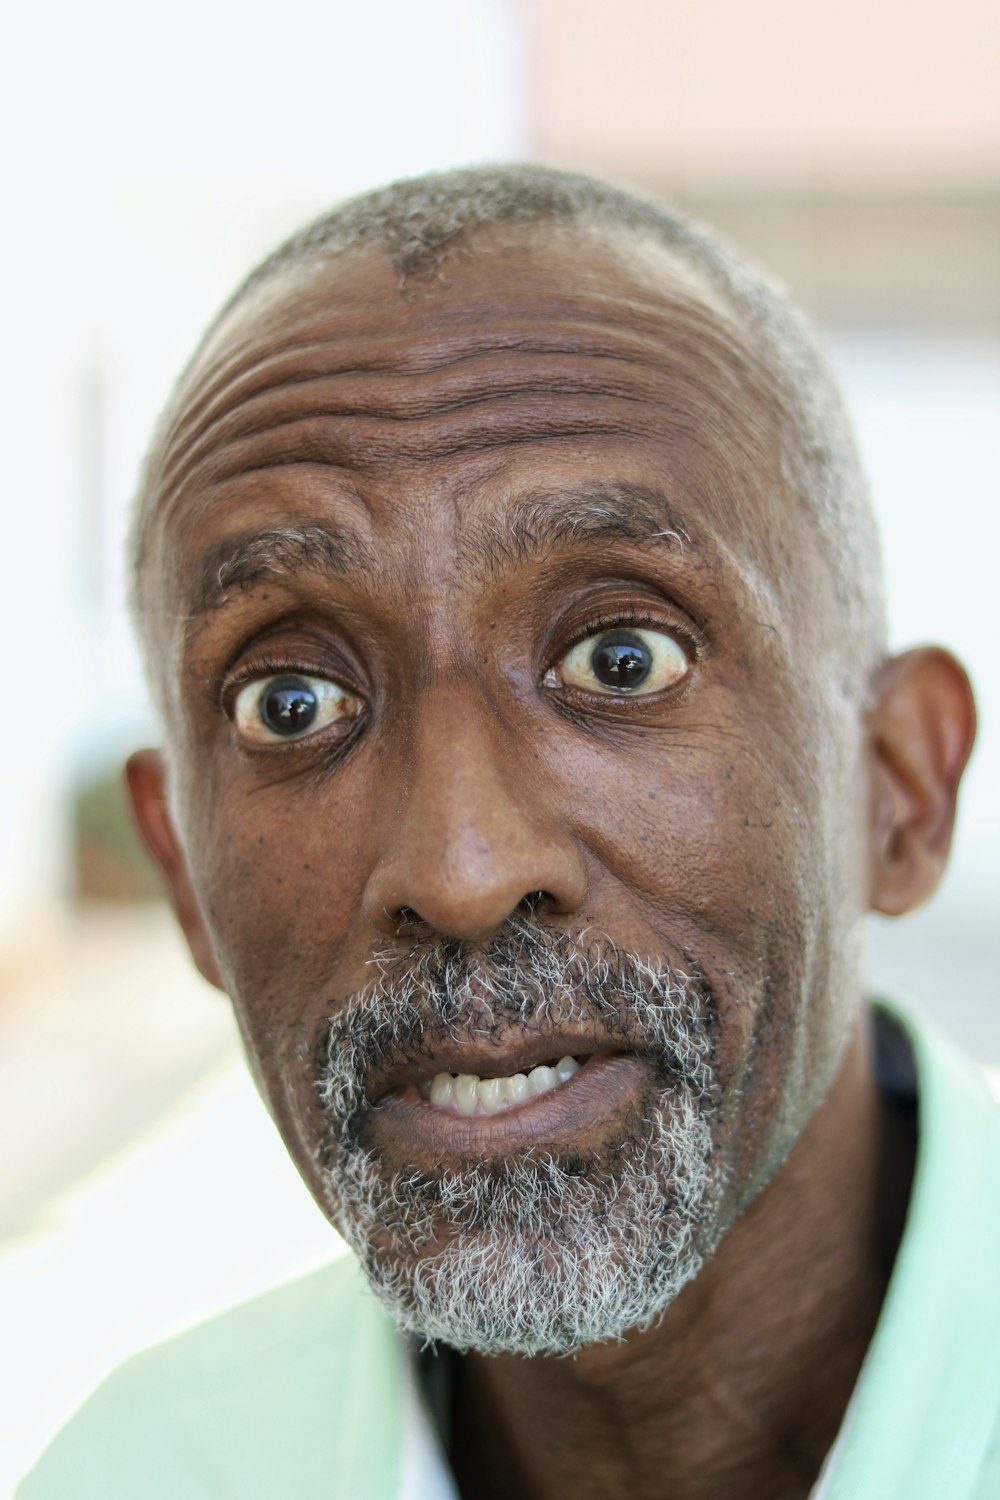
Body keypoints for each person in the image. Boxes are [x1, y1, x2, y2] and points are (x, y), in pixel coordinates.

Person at [17, 165, 998, 1499]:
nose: (461, 869)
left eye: (622, 658)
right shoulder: (142, 1473)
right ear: (185, 869)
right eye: (290, 701)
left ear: (901, 788)